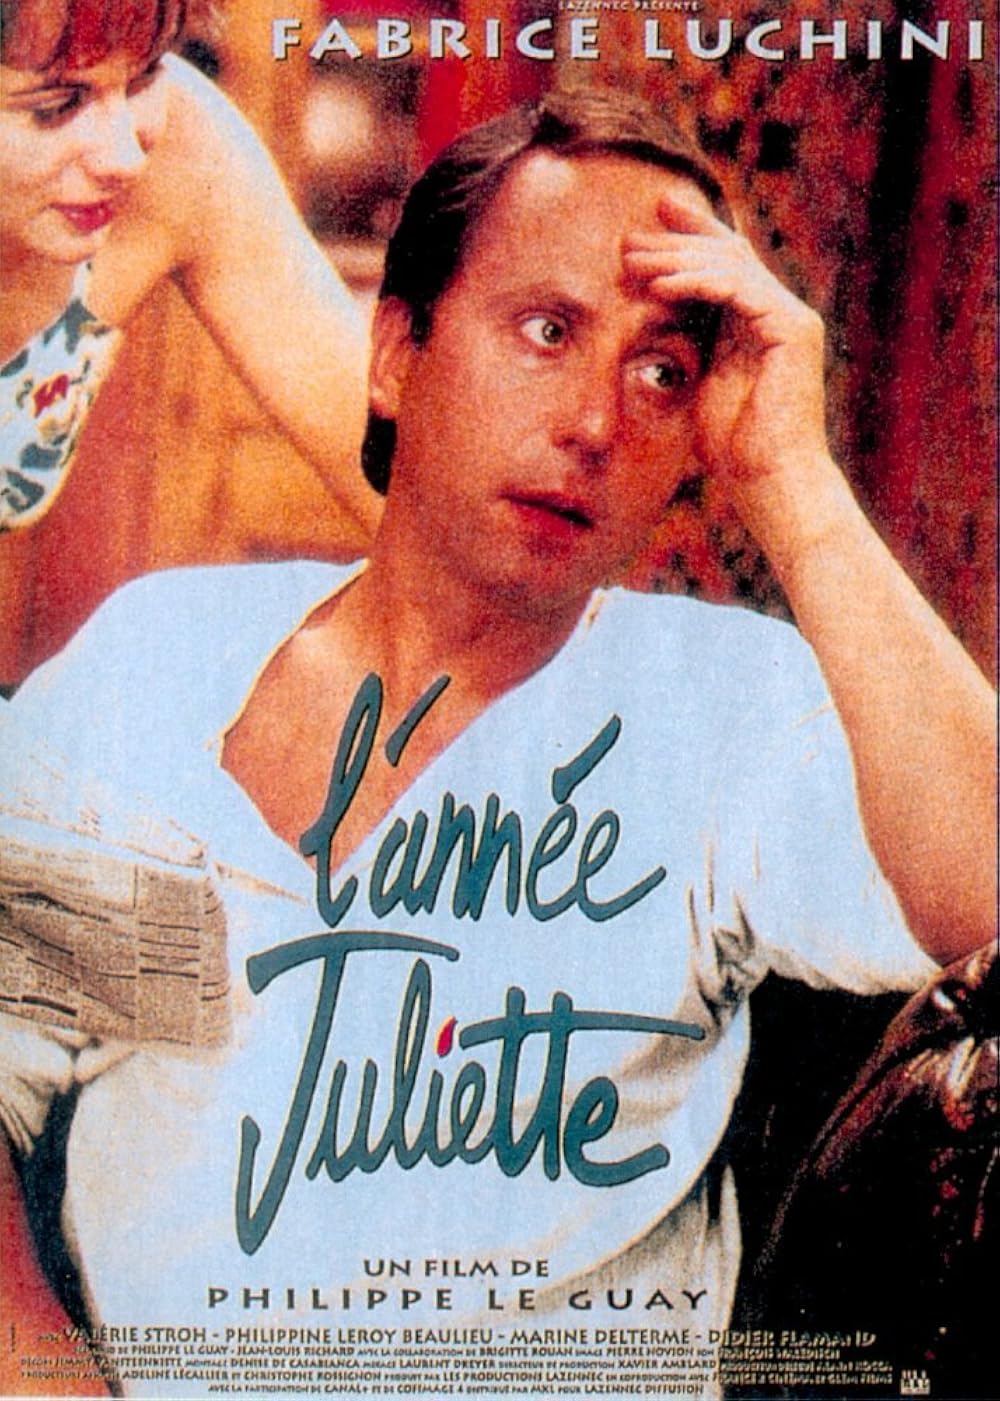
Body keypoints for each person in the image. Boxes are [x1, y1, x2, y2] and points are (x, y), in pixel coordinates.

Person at [0, 88, 994, 1398]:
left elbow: (986, 894)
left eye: (662, 372)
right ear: (397, 353)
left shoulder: (720, 707)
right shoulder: (156, 665)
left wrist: (795, 490)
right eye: (545, 331)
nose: (594, 422)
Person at [1, 0, 378, 537]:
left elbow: (407, 487)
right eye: (56, 106)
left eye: (144, 76)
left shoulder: (182, 143)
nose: (124, 157)